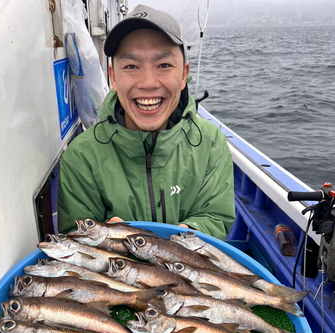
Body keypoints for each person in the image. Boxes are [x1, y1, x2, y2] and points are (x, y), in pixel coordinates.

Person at [58, 4, 235, 239]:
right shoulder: (80, 157)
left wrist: (188, 236)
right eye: (131, 66)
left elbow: (215, 218)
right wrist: (104, 239)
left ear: (183, 75)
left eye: (164, 65)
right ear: (113, 77)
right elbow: (75, 237)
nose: (148, 82)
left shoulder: (211, 144)